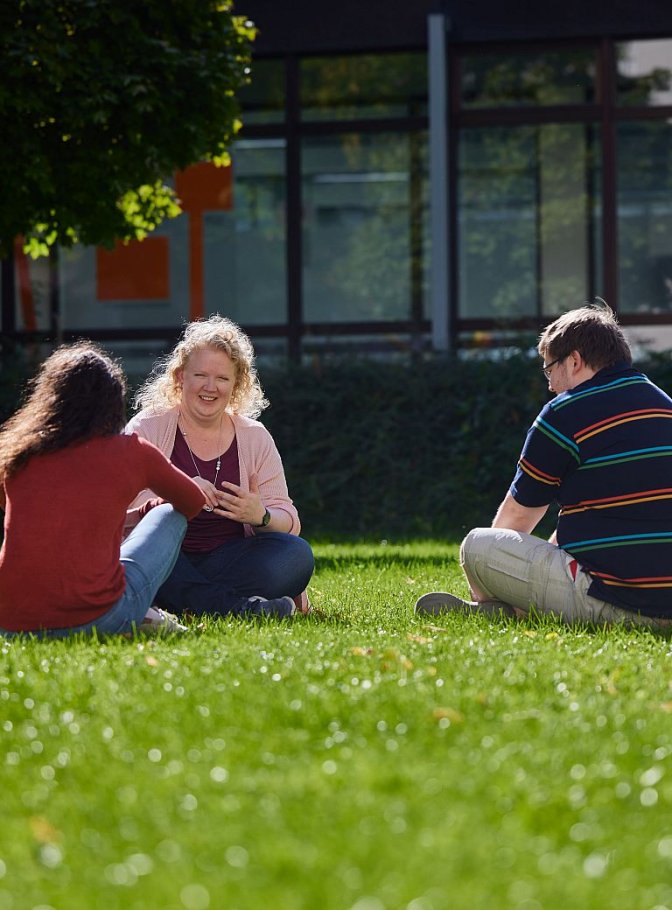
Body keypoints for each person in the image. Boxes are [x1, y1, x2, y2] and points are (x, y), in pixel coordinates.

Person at [416, 302, 672, 627]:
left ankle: (506, 610)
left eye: (550, 369)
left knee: (478, 546)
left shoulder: (565, 413)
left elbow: (516, 520)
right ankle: (517, 609)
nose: (550, 385)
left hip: (614, 603)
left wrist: (500, 583)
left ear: (575, 360)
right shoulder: (665, 407)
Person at [0, 342, 207, 638]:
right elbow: (192, 501)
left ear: (48, 398)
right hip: (96, 620)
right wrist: (146, 511)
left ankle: (145, 616)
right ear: (113, 401)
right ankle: (141, 615)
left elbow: (16, 508)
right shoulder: (131, 452)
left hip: (9, 625)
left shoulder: (19, 452)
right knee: (170, 513)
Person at [125, 315, 314, 619]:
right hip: (166, 560)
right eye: (200, 375)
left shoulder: (255, 436)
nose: (210, 387)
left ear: (236, 385)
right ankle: (242, 609)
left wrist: (260, 516)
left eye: (222, 378)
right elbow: (119, 514)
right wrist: (179, 493)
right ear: (180, 377)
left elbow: (289, 521)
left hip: (227, 560)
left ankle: (182, 602)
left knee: (295, 555)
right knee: (147, 566)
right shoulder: (147, 426)